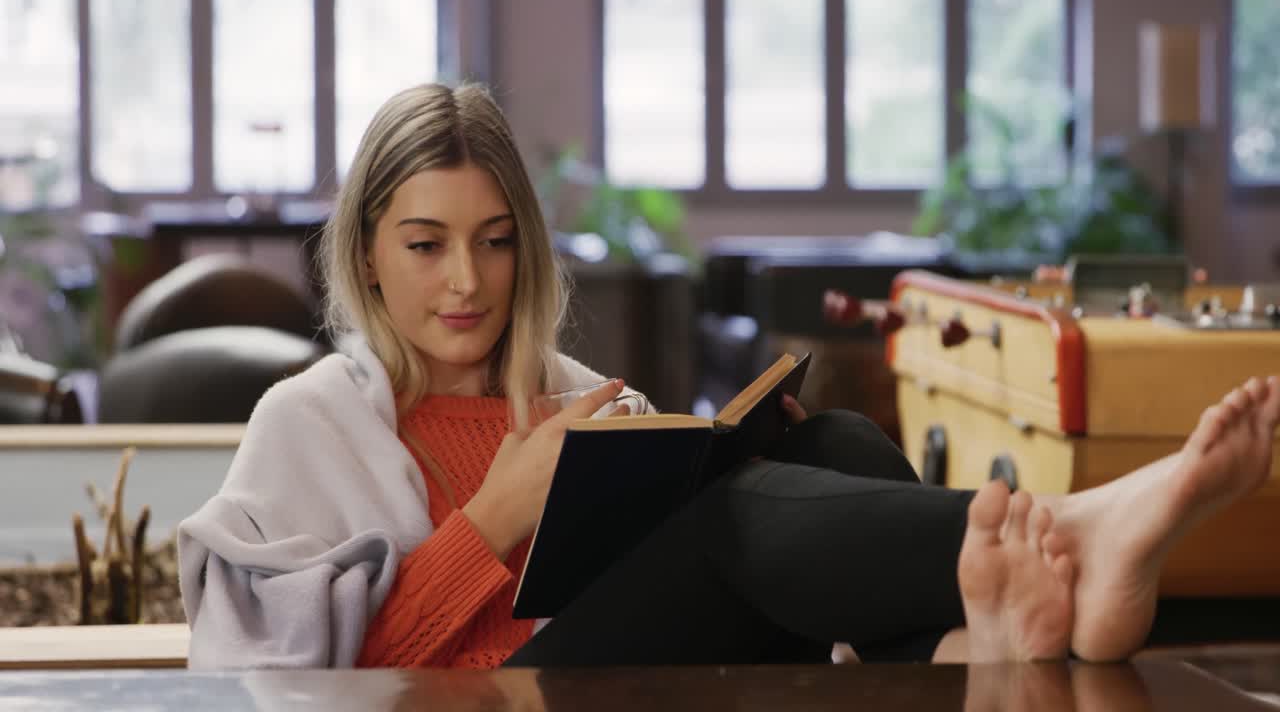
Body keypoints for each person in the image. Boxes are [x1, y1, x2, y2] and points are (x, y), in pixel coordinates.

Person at [177, 83, 1280, 670]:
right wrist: (494, 519)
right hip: (484, 698)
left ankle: (963, 651)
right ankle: (1081, 531)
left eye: (495, 239)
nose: (465, 280)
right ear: (366, 250)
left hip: (632, 668)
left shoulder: (573, 393)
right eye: (424, 244)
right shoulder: (310, 422)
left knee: (830, 445)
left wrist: (738, 456)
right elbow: (306, 682)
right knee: (723, 527)